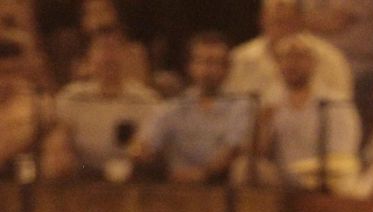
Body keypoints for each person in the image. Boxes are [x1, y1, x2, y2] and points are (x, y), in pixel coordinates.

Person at [130, 31, 251, 183]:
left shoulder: (240, 105)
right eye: (203, 61)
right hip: (173, 182)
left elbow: (233, 150)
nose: (208, 70)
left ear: (227, 68)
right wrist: (140, 151)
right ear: (191, 66)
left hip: (219, 182)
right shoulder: (173, 106)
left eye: (215, 63)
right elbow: (145, 142)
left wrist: (202, 174)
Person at [48, 26, 157, 178]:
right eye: (101, 49)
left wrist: (142, 152)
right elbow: (59, 141)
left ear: (126, 55)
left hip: (131, 181)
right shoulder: (71, 98)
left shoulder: (146, 101)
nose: (108, 57)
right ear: (89, 56)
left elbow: (149, 147)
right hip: (82, 181)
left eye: (114, 49)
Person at [256, 32, 359, 192]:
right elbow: (261, 154)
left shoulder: (335, 104)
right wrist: (263, 124)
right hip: (281, 186)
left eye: (299, 57)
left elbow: (341, 156)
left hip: (323, 183)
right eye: (286, 57)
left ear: (313, 62)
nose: (291, 63)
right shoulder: (270, 104)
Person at [225, 0, 352, 104]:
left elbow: (340, 106)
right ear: (262, 19)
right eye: (275, 21)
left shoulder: (329, 58)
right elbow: (228, 103)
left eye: (286, 21)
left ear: (299, 19)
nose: (280, 28)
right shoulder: (240, 58)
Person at [0, 33, 51, 179]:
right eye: (1, 72)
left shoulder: (40, 103)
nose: (6, 80)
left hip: (28, 186)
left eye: (13, 72)